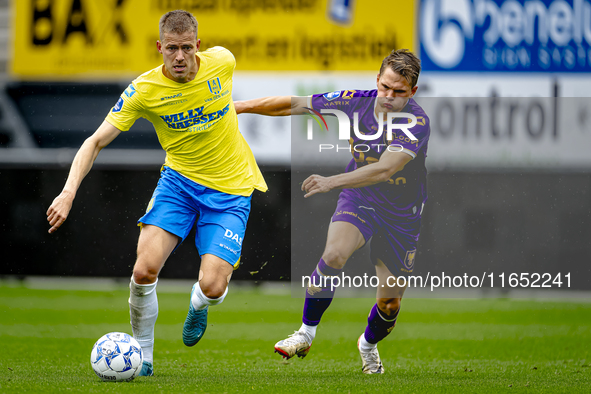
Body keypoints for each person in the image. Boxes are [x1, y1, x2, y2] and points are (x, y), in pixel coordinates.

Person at [46, 10, 267, 376]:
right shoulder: (143, 91)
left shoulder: (223, 62)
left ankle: (199, 304)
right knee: (144, 269)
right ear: (159, 47)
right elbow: (95, 141)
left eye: (185, 48)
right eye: (171, 49)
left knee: (212, 286)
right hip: (178, 186)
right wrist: (68, 192)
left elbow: (233, 104)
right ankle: (143, 359)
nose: (179, 57)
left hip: (230, 190)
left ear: (198, 46)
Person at [234, 49, 429, 374]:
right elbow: (296, 104)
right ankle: (305, 333)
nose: (389, 97)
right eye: (385, 87)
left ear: (413, 92)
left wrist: (332, 181)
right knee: (335, 253)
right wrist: (239, 107)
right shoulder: (355, 101)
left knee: (390, 303)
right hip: (360, 198)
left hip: (401, 215)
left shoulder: (417, 123)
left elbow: (384, 170)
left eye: (399, 92)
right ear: (377, 80)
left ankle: (367, 345)